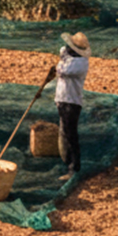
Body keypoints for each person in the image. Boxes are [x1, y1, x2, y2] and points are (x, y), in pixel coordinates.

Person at [41, 31, 91, 181]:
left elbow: (63, 70)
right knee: (64, 133)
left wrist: (60, 60)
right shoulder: (69, 56)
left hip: (72, 102)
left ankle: (74, 168)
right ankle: (67, 163)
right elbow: (62, 53)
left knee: (70, 135)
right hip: (62, 100)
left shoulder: (81, 63)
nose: (67, 49)